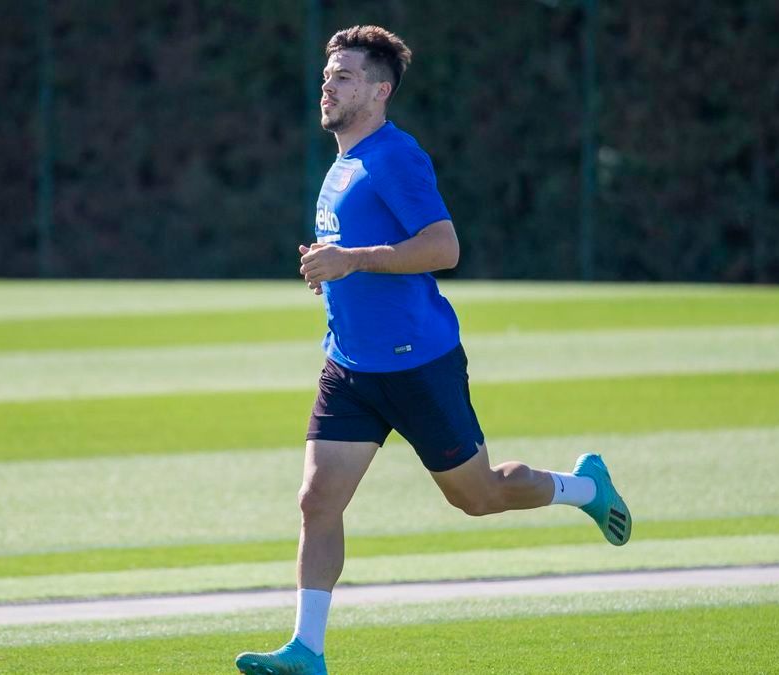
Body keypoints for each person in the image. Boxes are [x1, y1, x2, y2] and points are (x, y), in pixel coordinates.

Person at [235, 25, 630, 675]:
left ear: (381, 90)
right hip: (351, 367)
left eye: (345, 76)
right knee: (316, 501)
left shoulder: (395, 157)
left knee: (478, 497)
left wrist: (350, 260)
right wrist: (330, 270)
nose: (327, 85)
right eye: (327, 76)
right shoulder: (340, 165)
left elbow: (443, 247)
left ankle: (584, 487)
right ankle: (307, 649)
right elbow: (355, 261)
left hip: (418, 364)